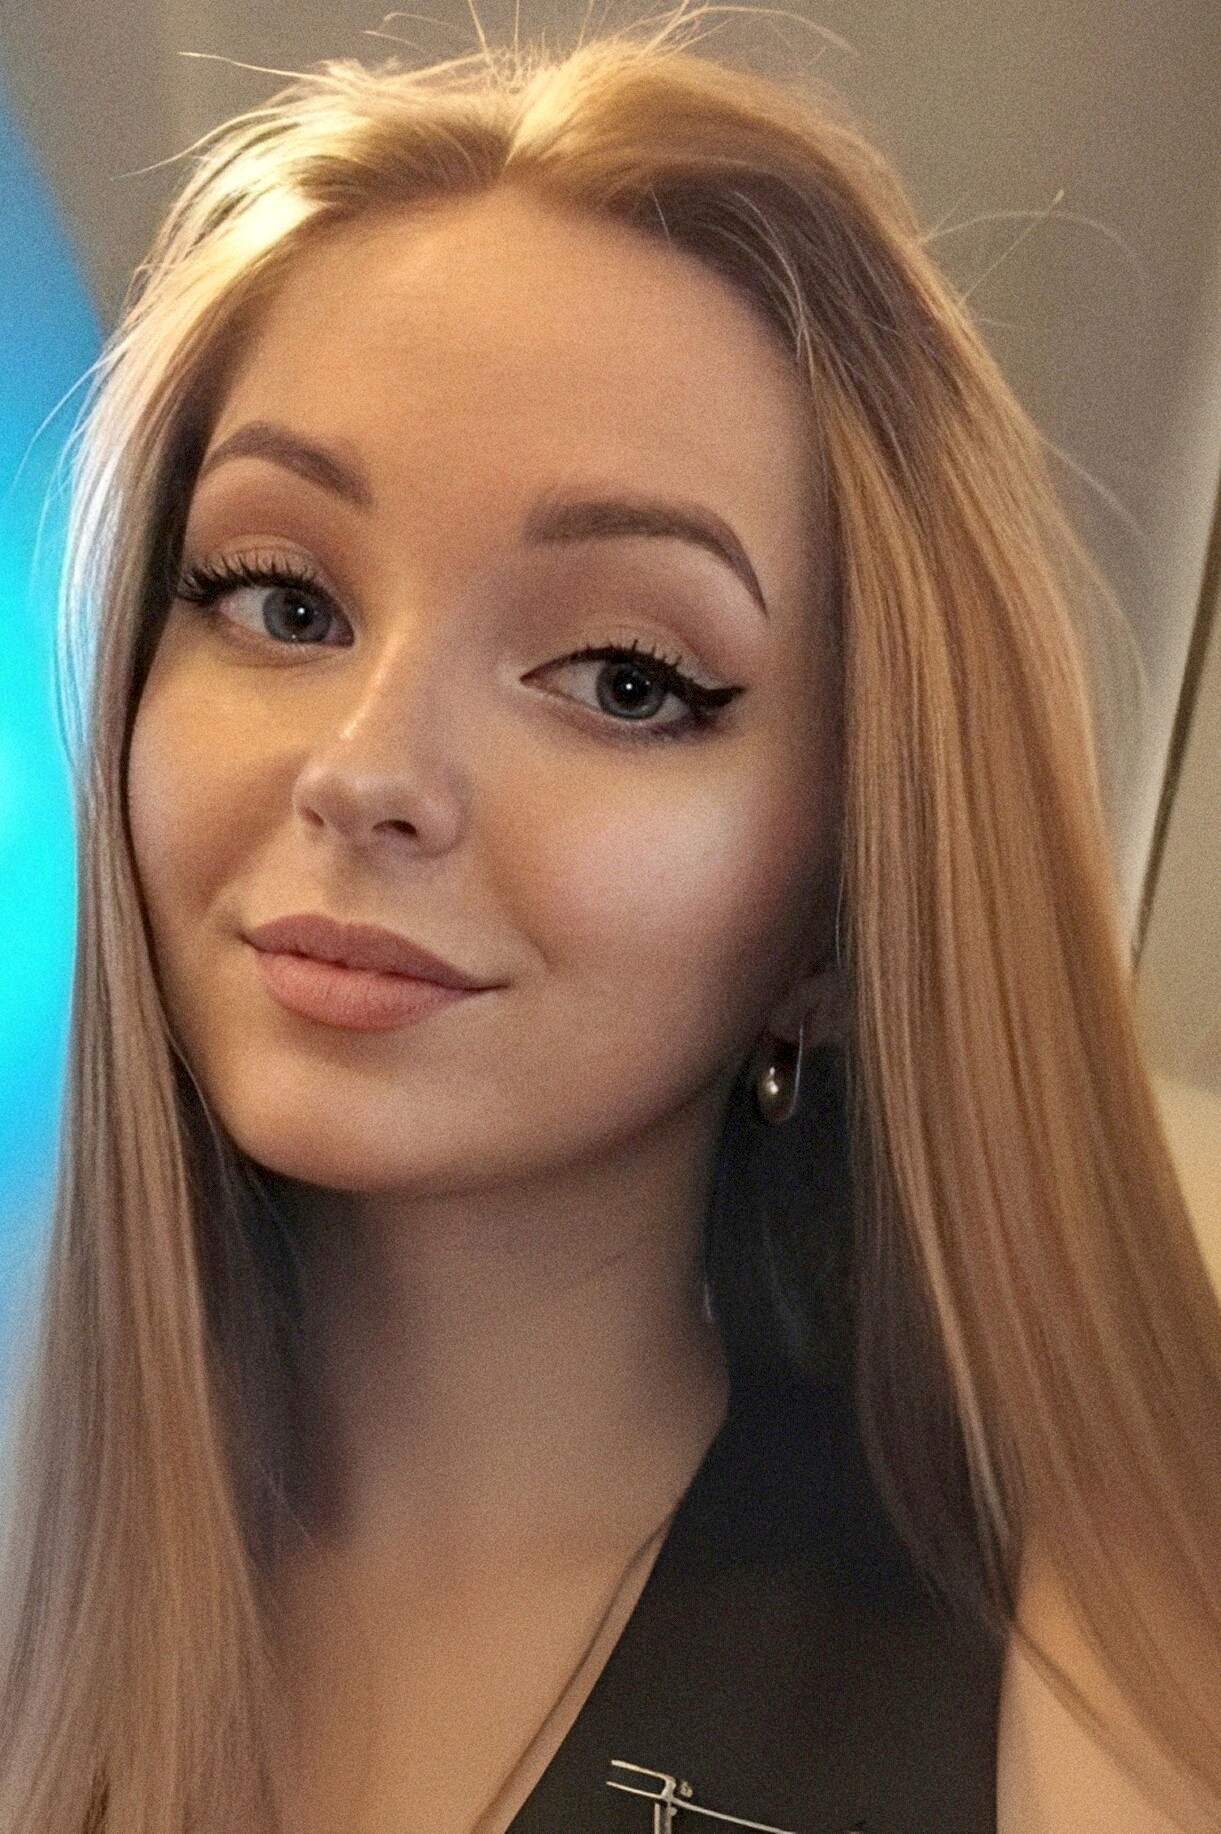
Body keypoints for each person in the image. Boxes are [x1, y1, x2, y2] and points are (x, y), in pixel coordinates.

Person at [0, 9, 1218, 1832]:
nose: (367, 768)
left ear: (843, 900)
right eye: (280, 601)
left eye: (626, 680)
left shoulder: (1092, 1700)